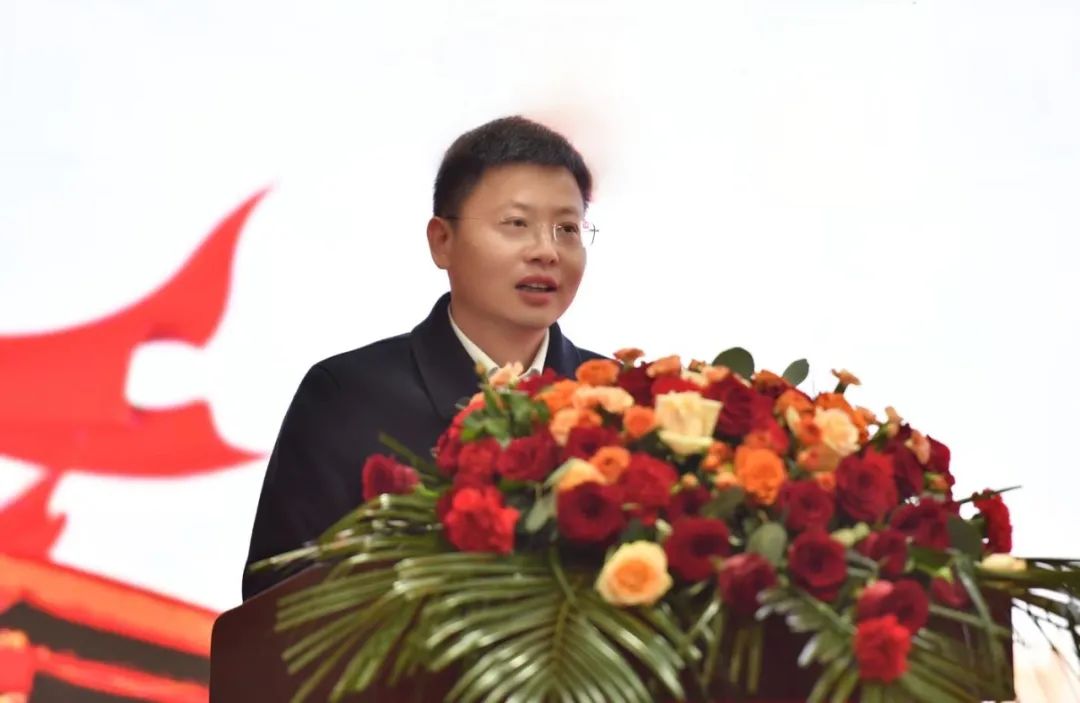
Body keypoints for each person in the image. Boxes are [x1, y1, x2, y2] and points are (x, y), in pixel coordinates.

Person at [242, 116, 603, 600]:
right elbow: (279, 600)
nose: (547, 251)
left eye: (567, 229)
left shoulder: (617, 403)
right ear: (442, 241)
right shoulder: (346, 396)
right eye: (516, 224)